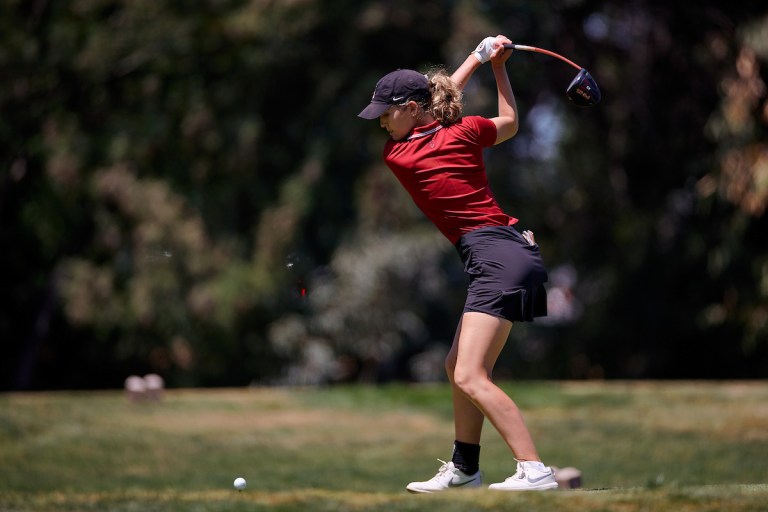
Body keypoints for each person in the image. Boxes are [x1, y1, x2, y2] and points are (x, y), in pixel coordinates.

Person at [358, 35, 559, 492]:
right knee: (458, 367)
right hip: (506, 252)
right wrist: (495, 65)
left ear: (411, 107)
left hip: (496, 256)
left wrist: (480, 58)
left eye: (386, 113)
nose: (382, 124)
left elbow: (443, 97)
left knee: (469, 373)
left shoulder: (402, 155)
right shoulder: (464, 131)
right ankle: (465, 467)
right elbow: (509, 121)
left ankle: (535, 469)